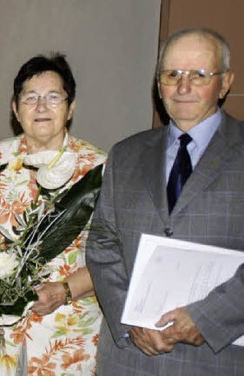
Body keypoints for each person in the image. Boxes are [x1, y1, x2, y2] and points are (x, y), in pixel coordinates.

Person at [86, 27, 244, 375]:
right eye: (172, 74)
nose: (183, 87)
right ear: (158, 84)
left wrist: (207, 318)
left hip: (219, 358)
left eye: (199, 75)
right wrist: (130, 318)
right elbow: (102, 242)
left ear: (226, 82)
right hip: (131, 356)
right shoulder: (126, 154)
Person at [0, 54, 106, 375]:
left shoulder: (100, 170)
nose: (41, 106)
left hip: (65, 334)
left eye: (53, 97)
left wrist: (64, 291)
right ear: (15, 107)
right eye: (30, 98)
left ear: (71, 106)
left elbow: (116, 256)